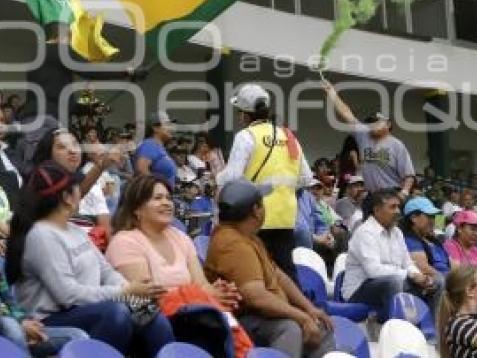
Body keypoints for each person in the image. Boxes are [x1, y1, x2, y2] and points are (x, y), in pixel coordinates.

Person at [6, 161, 175, 356]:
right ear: (67, 197)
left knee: (151, 315)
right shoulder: (42, 235)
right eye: (77, 188)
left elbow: (106, 271)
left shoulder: (75, 230)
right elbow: (68, 295)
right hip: (50, 319)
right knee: (115, 314)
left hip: (90, 309)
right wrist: (123, 291)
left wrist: (133, 293)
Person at [204, 180, 335, 358]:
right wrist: (301, 317)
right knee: (290, 328)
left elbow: (279, 276)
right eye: (262, 203)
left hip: (263, 316)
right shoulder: (232, 243)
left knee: (320, 325)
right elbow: (257, 298)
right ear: (255, 211)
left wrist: (309, 309)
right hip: (241, 321)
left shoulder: (249, 236)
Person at [0, 195, 88, 356]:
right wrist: (18, 323)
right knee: (11, 327)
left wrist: (24, 321)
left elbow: (9, 300)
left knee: (78, 336)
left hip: (14, 324)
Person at [217, 83, 314, 282]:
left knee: (256, 273)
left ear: (245, 114)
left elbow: (233, 179)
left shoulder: (246, 136)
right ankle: (296, 310)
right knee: (285, 272)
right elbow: (306, 177)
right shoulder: (289, 136)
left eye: (239, 112)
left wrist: (218, 178)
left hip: (254, 215)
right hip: (286, 216)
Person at [106, 174, 240, 307]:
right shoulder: (124, 243)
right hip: (156, 320)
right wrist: (199, 295)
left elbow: (202, 285)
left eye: (168, 198)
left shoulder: (181, 237)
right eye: (157, 198)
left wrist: (220, 293)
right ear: (137, 209)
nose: (167, 203)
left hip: (192, 312)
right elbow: (147, 298)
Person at [342, 189, 439, 320]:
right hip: (359, 290)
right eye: (392, 207)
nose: (398, 211)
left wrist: (420, 276)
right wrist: (410, 275)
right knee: (394, 281)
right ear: (377, 210)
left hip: (395, 282)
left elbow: (407, 263)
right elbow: (374, 271)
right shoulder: (365, 232)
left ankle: (430, 331)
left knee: (436, 282)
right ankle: (395, 330)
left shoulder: (397, 232)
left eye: (398, 207)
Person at [322, 80, 415, 212]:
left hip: (391, 193)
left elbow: (408, 175)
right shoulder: (364, 135)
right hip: (372, 194)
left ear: (388, 125)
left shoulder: (397, 145)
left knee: (390, 228)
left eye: (377, 122)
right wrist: (331, 92)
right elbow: (347, 113)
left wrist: (404, 193)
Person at [32, 127, 115, 239]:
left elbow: (106, 228)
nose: (72, 151)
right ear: (48, 153)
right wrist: (99, 167)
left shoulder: (92, 185)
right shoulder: (37, 181)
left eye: (75, 145)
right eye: (62, 147)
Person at [402, 196, 451, 279]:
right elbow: (423, 268)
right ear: (413, 218)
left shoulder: (434, 240)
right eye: (429, 216)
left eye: (434, 216)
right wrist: (453, 283)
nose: (433, 221)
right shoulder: (410, 240)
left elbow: (452, 264)